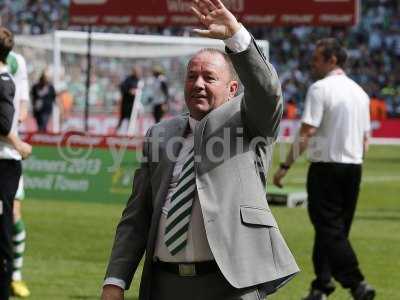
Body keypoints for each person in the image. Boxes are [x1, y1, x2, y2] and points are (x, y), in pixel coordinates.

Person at [101, 1, 299, 300]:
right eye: (192, 76)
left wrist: (235, 35)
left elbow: (267, 92)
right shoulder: (160, 134)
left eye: (209, 77)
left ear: (233, 89)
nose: (199, 84)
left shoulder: (249, 124)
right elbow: (137, 215)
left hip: (231, 285)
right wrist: (115, 280)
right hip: (166, 284)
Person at [273, 38, 375, 300]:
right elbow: (366, 141)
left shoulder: (320, 89)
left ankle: (356, 283)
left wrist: (285, 165)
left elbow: (307, 131)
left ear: (332, 60)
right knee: (333, 230)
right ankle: (321, 287)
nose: (312, 62)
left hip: (326, 168)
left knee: (329, 229)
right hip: (353, 168)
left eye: (317, 58)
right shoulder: (360, 93)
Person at [0, 26, 32, 300]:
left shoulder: (15, 63)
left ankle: (15, 276)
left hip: (8, 150)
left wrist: (12, 123)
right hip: (10, 144)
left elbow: (23, 103)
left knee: (12, 215)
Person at [116, 66, 141, 132]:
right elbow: (122, 87)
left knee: (133, 119)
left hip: (134, 104)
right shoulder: (128, 79)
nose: (138, 73)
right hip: (127, 103)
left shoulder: (139, 80)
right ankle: (119, 131)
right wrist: (130, 91)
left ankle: (131, 132)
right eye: (136, 71)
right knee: (124, 118)